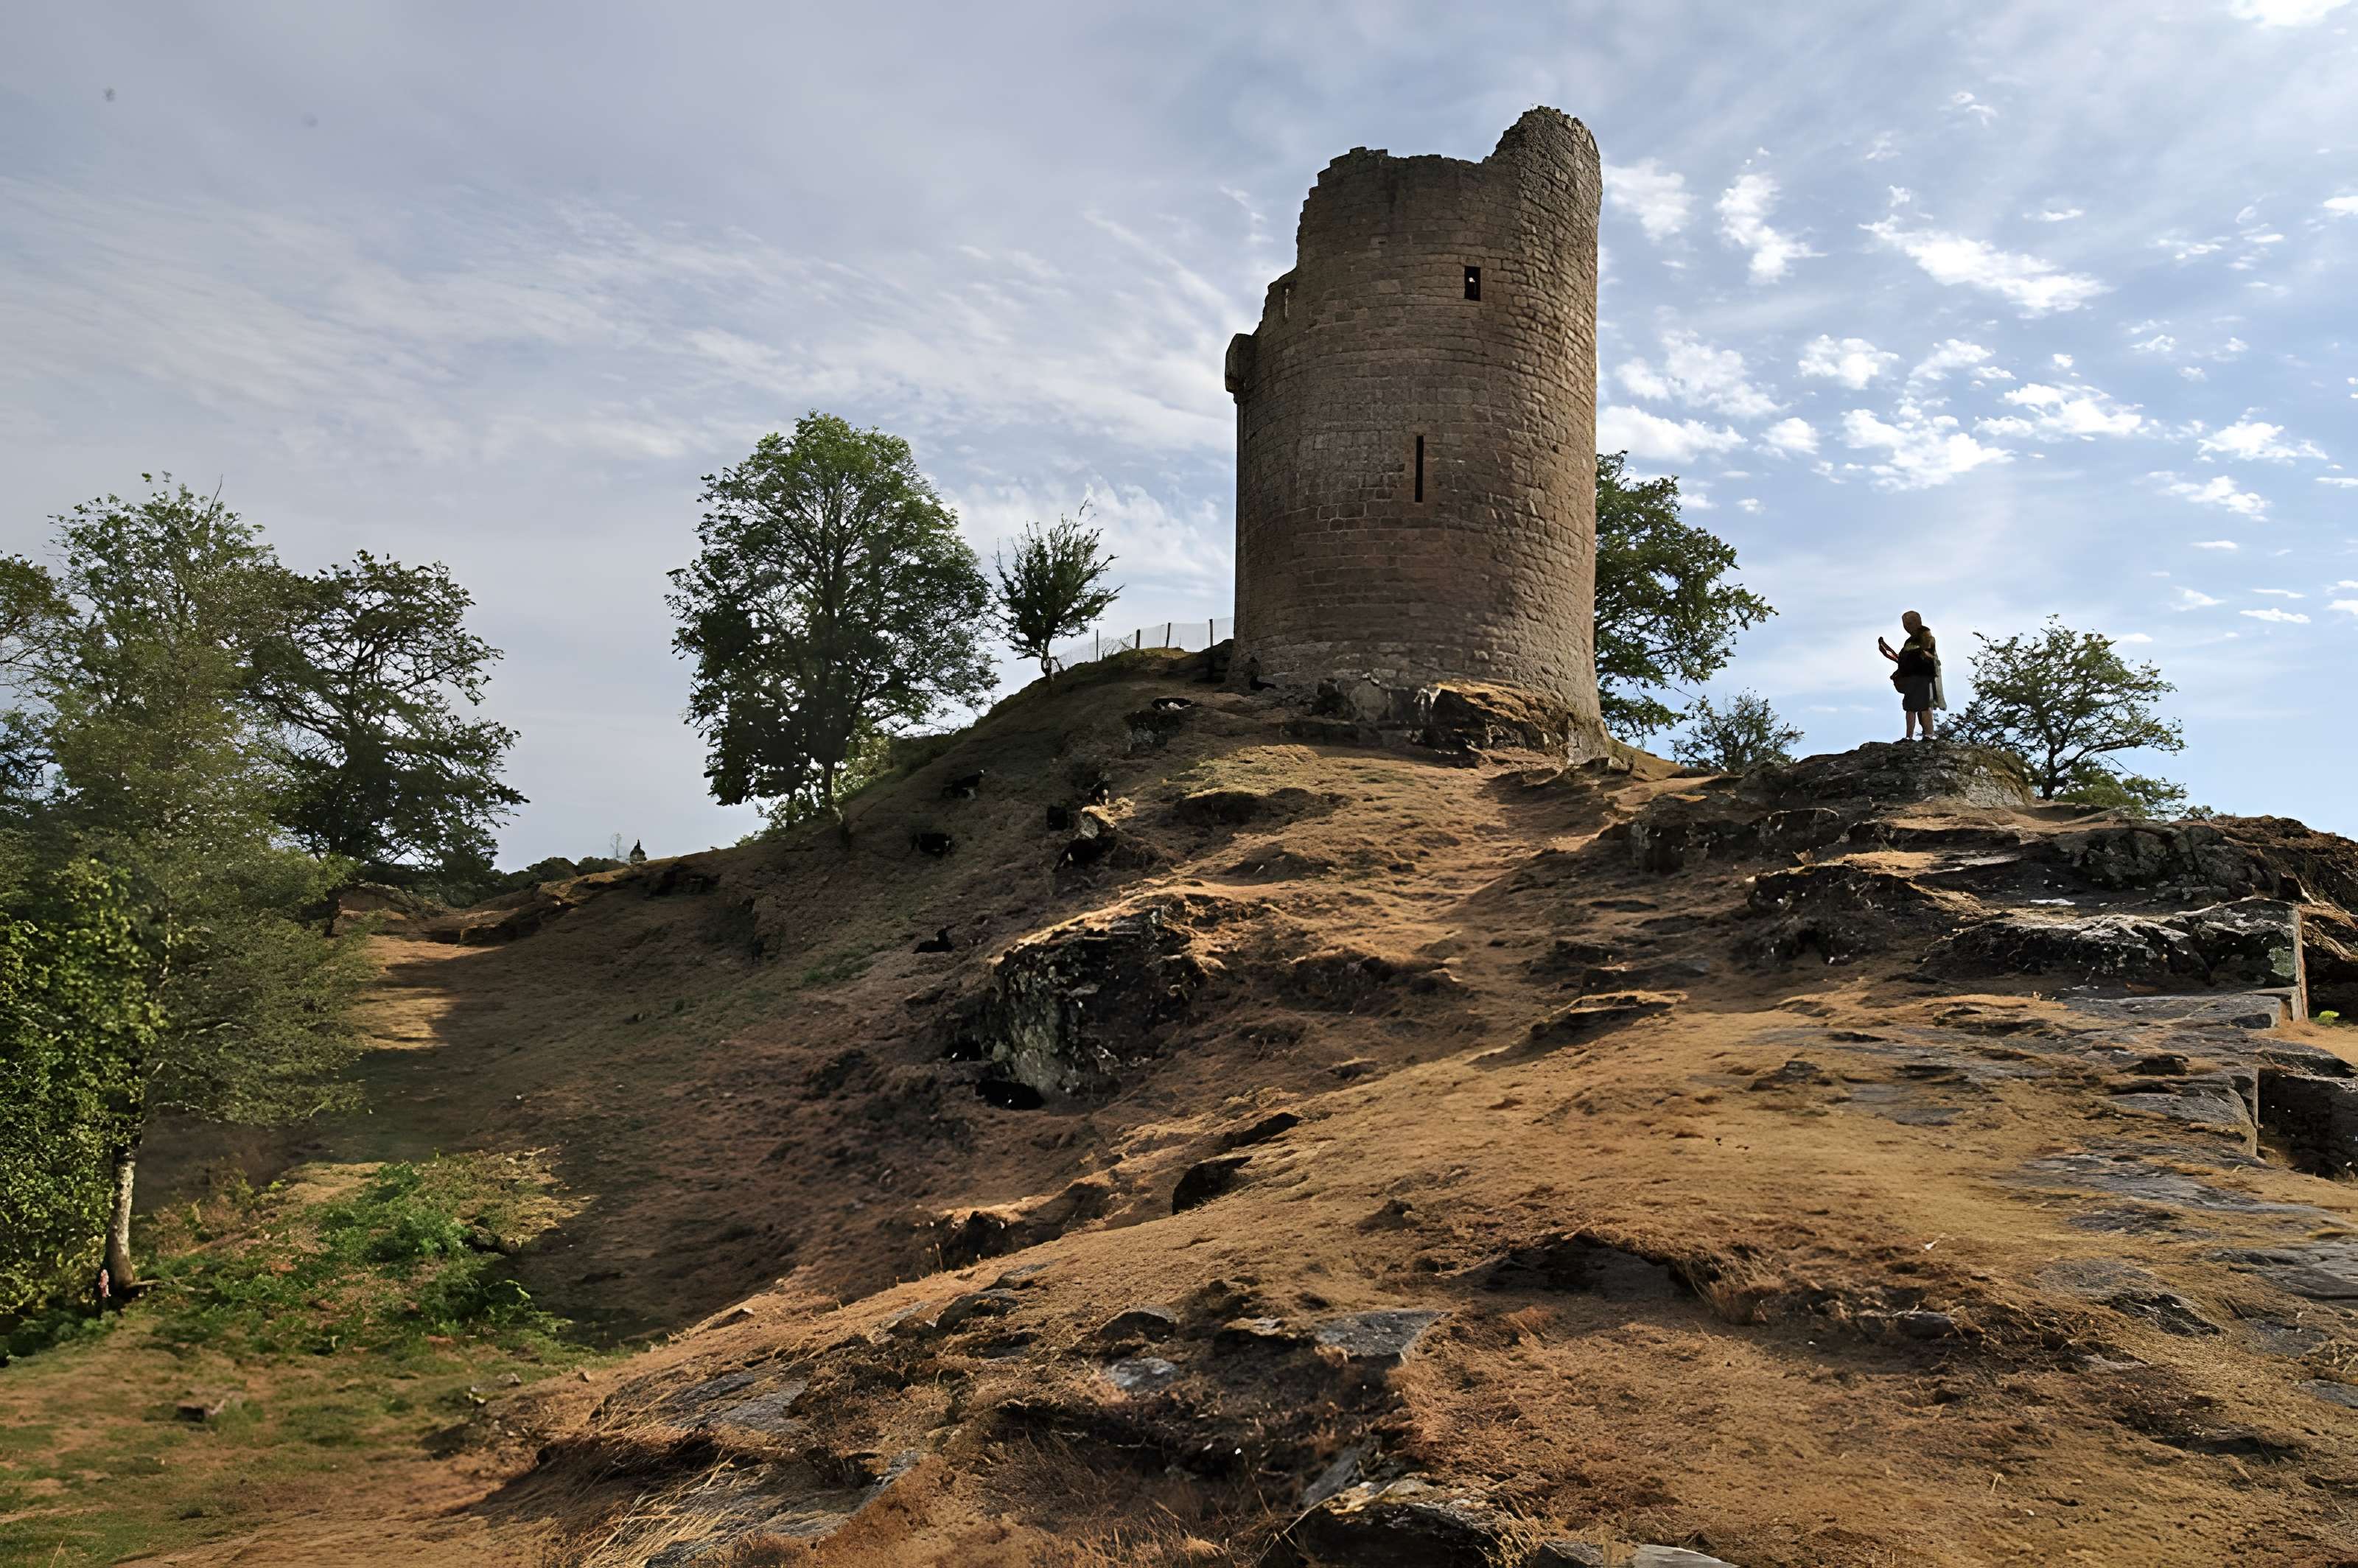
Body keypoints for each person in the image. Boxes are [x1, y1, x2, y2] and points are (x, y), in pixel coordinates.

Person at [1877, 611, 1942, 741]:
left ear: (1918, 622)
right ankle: (1909, 737)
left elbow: (1927, 657)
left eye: (1910, 623)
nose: (1907, 627)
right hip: (1911, 680)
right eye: (1905, 624)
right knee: (1910, 708)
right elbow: (1902, 658)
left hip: (1922, 679)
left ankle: (1929, 734)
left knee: (1924, 707)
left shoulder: (1926, 638)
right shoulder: (1909, 641)